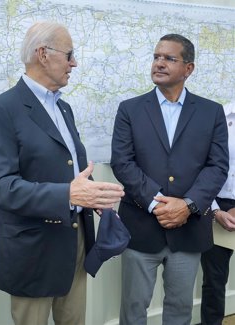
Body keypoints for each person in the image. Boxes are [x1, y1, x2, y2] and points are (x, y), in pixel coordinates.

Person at [0, 21, 124, 325]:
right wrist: (69, 194)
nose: (75, 63)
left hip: (75, 245)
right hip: (33, 252)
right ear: (43, 54)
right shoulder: (3, 109)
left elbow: (68, 169)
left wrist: (93, 195)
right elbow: (1, 188)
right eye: (69, 54)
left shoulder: (64, 108)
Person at [110, 33, 229, 325]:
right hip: (141, 227)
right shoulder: (130, 109)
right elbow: (122, 163)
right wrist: (159, 203)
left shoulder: (211, 112)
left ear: (188, 68)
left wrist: (187, 206)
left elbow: (217, 166)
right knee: (134, 309)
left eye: (169, 58)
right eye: (156, 57)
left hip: (188, 231)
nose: (159, 63)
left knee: (180, 309)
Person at [197, 101, 235, 325]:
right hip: (216, 202)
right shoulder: (217, 115)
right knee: (214, 278)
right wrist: (215, 210)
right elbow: (202, 166)